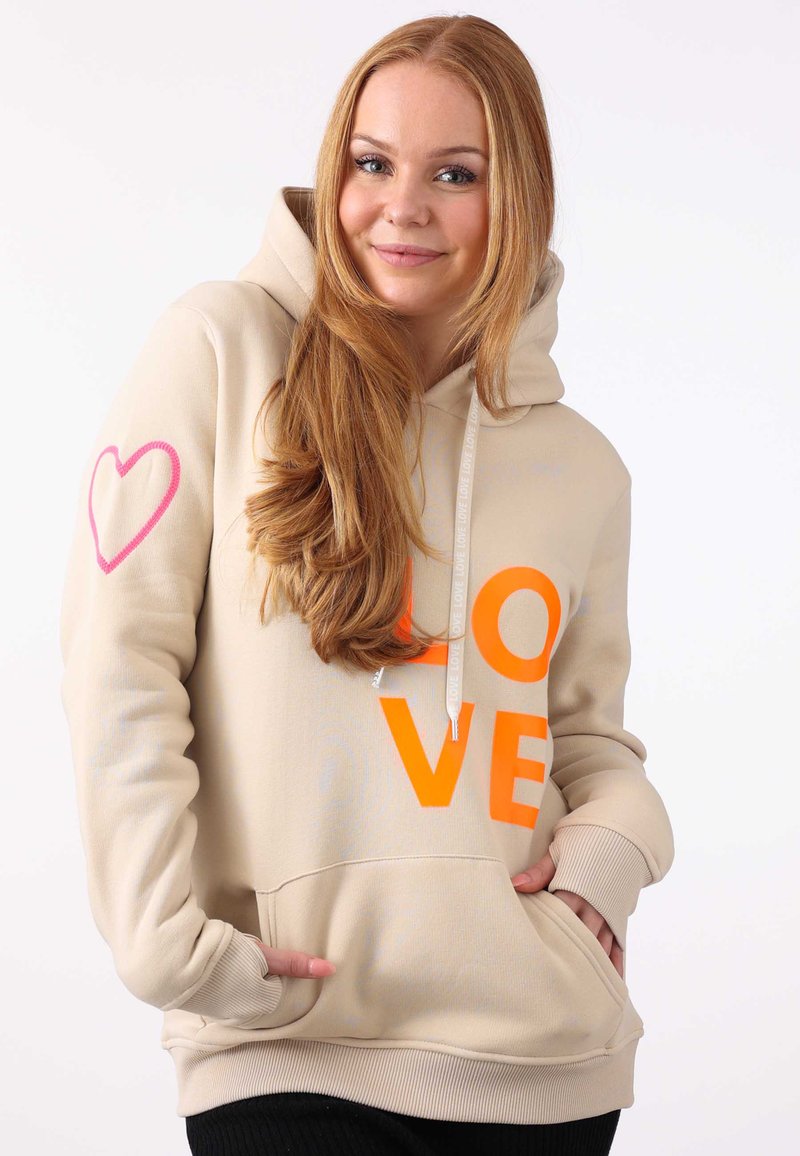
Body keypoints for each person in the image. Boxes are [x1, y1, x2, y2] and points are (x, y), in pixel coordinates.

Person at [58, 13, 674, 1156]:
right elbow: (120, 660)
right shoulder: (221, 351)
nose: (403, 207)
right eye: (372, 162)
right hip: (288, 1039)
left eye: (454, 174)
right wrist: (159, 942)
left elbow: (589, 743)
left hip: (540, 1067)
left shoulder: (580, 468)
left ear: (517, 198)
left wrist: (611, 855)